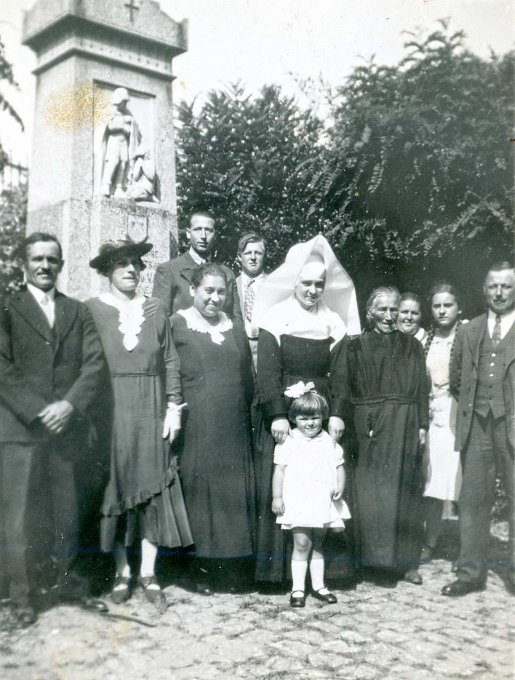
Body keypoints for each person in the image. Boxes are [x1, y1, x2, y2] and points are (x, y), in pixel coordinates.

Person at [0, 232, 108, 626]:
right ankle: (22, 595)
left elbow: (94, 365)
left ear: (62, 265)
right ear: (23, 265)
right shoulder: (7, 308)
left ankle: (67, 585)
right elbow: (2, 367)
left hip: (66, 428)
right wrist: (39, 410)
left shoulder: (77, 311)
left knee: (67, 511)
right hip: (21, 430)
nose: (45, 266)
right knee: (19, 516)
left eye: (52, 260)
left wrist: (70, 405)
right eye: (38, 259)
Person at [87, 238, 193, 606]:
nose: (131, 269)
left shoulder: (154, 310)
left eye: (135, 263)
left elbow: (170, 362)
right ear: (107, 271)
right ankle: (122, 572)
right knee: (117, 488)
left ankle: (148, 572)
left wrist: (174, 407)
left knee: (152, 488)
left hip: (151, 407)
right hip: (112, 409)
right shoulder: (92, 311)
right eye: (121, 264)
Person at [252, 234, 361, 585]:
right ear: (293, 282)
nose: (313, 290)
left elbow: (342, 372)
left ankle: (328, 571)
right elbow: (267, 372)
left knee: (326, 478)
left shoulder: (333, 321)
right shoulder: (275, 318)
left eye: (319, 284)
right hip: (284, 409)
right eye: (307, 283)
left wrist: (339, 413)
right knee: (285, 479)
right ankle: (279, 572)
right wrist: (277, 415)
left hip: (322, 408)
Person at [171, 263, 256, 594]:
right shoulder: (178, 324)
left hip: (232, 422)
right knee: (201, 491)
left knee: (231, 491)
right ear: (193, 290)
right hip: (199, 422)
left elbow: (246, 374)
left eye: (221, 292)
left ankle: (232, 567)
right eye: (208, 290)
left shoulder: (234, 326)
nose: (215, 298)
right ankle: (198, 568)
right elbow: (170, 372)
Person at [337, 286, 429, 585]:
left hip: (406, 421)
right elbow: (346, 389)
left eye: (394, 309)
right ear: (370, 312)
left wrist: (422, 425)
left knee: (406, 491)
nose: (389, 316)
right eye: (383, 310)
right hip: (370, 425)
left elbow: (421, 391)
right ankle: (368, 561)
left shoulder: (413, 346)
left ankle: (406, 563)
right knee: (371, 492)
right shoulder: (355, 346)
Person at [442, 262, 515, 597]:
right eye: (493, 287)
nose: (499, 293)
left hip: (512, 426)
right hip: (476, 426)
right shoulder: (470, 330)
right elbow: (457, 378)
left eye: (506, 286)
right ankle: (471, 573)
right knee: (472, 500)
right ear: (484, 290)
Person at [272, 387, 350, 607]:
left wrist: (340, 486)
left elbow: (339, 467)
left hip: (322, 500)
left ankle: (319, 586)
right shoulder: (288, 441)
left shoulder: (328, 440)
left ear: (322, 417)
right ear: (294, 419)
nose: (310, 423)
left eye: (314, 418)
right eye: (303, 418)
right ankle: (297, 589)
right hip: (298, 500)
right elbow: (279, 471)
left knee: (318, 544)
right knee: (302, 542)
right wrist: (277, 497)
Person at [421, 283, 464, 562]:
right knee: (433, 480)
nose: (442, 310)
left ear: (458, 307)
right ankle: (430, 541)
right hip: (434, 413)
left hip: (459, 413)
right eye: (437, 305)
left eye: (447, 305)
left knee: (462, 480)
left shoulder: (468, 334)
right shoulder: (427, 339)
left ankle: (467, 546)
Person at [152, 211, 242, 322]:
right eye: (198, 229)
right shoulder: (169, 270)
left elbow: (236, 319)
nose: (203, 236)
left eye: (208, 230)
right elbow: (160, 320)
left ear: (215, 234)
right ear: (188, 233)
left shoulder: (227, 273)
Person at [235, 232, 268, 372]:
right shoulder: (230, 285)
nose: (253, 257)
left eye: (258, 253)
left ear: (264, 256)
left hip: (267, 348)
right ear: (239, 257)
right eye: (248, 253)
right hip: (239, 349)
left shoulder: (275, 285)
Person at [100, 87, 141, 198]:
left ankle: (118, 187)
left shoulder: (126, 115)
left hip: (124, 143)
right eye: (124, 102)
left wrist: (131, 125)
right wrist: (123, 125)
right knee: (113, 162)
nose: (125, 104)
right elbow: (109, 127)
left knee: (123, 163)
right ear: (119, 101)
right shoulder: (111, 112)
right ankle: (106, 185)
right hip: (114, 141)